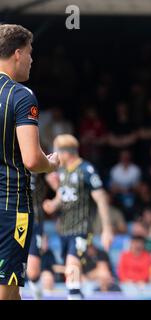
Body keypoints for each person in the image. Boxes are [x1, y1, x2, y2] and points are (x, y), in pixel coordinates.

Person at [0, 24, 60, 300]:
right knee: (6, 289)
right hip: (10, 208)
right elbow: (32, 160)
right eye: (30, 53)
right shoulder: (22, 96)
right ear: (17, 54)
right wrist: (52, 163)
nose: (32, 60)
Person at [42, 134, 113, 299]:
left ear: (66, 153)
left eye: (56, 151)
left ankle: (73, 296)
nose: (54, 155)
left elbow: (101, 199)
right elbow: (63, 196)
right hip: (64, 229)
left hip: (82, 228)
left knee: (72, 263)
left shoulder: (86, 170)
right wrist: (53, 204)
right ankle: (77, 294)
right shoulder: (63, 172)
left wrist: (107, 229)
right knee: (71, 266)